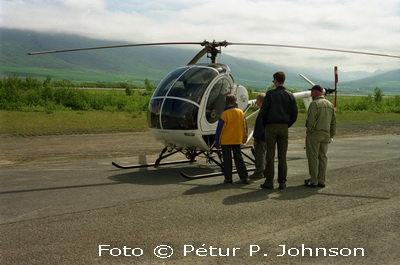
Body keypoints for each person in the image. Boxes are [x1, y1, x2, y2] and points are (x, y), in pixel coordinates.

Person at [259, 71, 298, 190]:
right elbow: (294, 114)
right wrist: (287, 124)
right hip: (284, 127)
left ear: (276, 81)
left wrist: (266, 125)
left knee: (270, 155)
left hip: (271, 126)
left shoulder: (270, 94)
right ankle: (282, 182)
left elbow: (263, 112)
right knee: (282, 155)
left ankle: (269, 182)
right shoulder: (290, 95)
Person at [304, 85, 336, 188]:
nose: (311, 95)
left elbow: (311, 120)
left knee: (313, 157)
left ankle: (313, 180)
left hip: (315, 134)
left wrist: (309, 132)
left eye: (312, 93)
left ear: (316, 92)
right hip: (326, 134)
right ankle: (321, 180)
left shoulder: (314, 104)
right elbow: (333, 122)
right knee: (323, 157)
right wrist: (331, 134)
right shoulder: (330, 105)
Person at [214, 94, 250, 184]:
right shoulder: (241, 113)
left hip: (225, 141)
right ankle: (244, 177)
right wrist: (244, 138)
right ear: (235, 101)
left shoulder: (224, 114)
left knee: (227, 160)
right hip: (237, 139)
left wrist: (217, 142)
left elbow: (219, 130)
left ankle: (228, 178)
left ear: (226, 102)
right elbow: (245, 127)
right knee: (239, 159)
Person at [249, 93, 266, 179]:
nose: (256, 101)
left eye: (257, 100)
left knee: (259, 155)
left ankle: (259, 172)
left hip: (261, 137)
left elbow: (260, 126)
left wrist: (256, 138)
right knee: (265, 155)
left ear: (259, 101)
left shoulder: (262, 111)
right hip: (267, 137)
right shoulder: (268, 110)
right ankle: (265, 171)